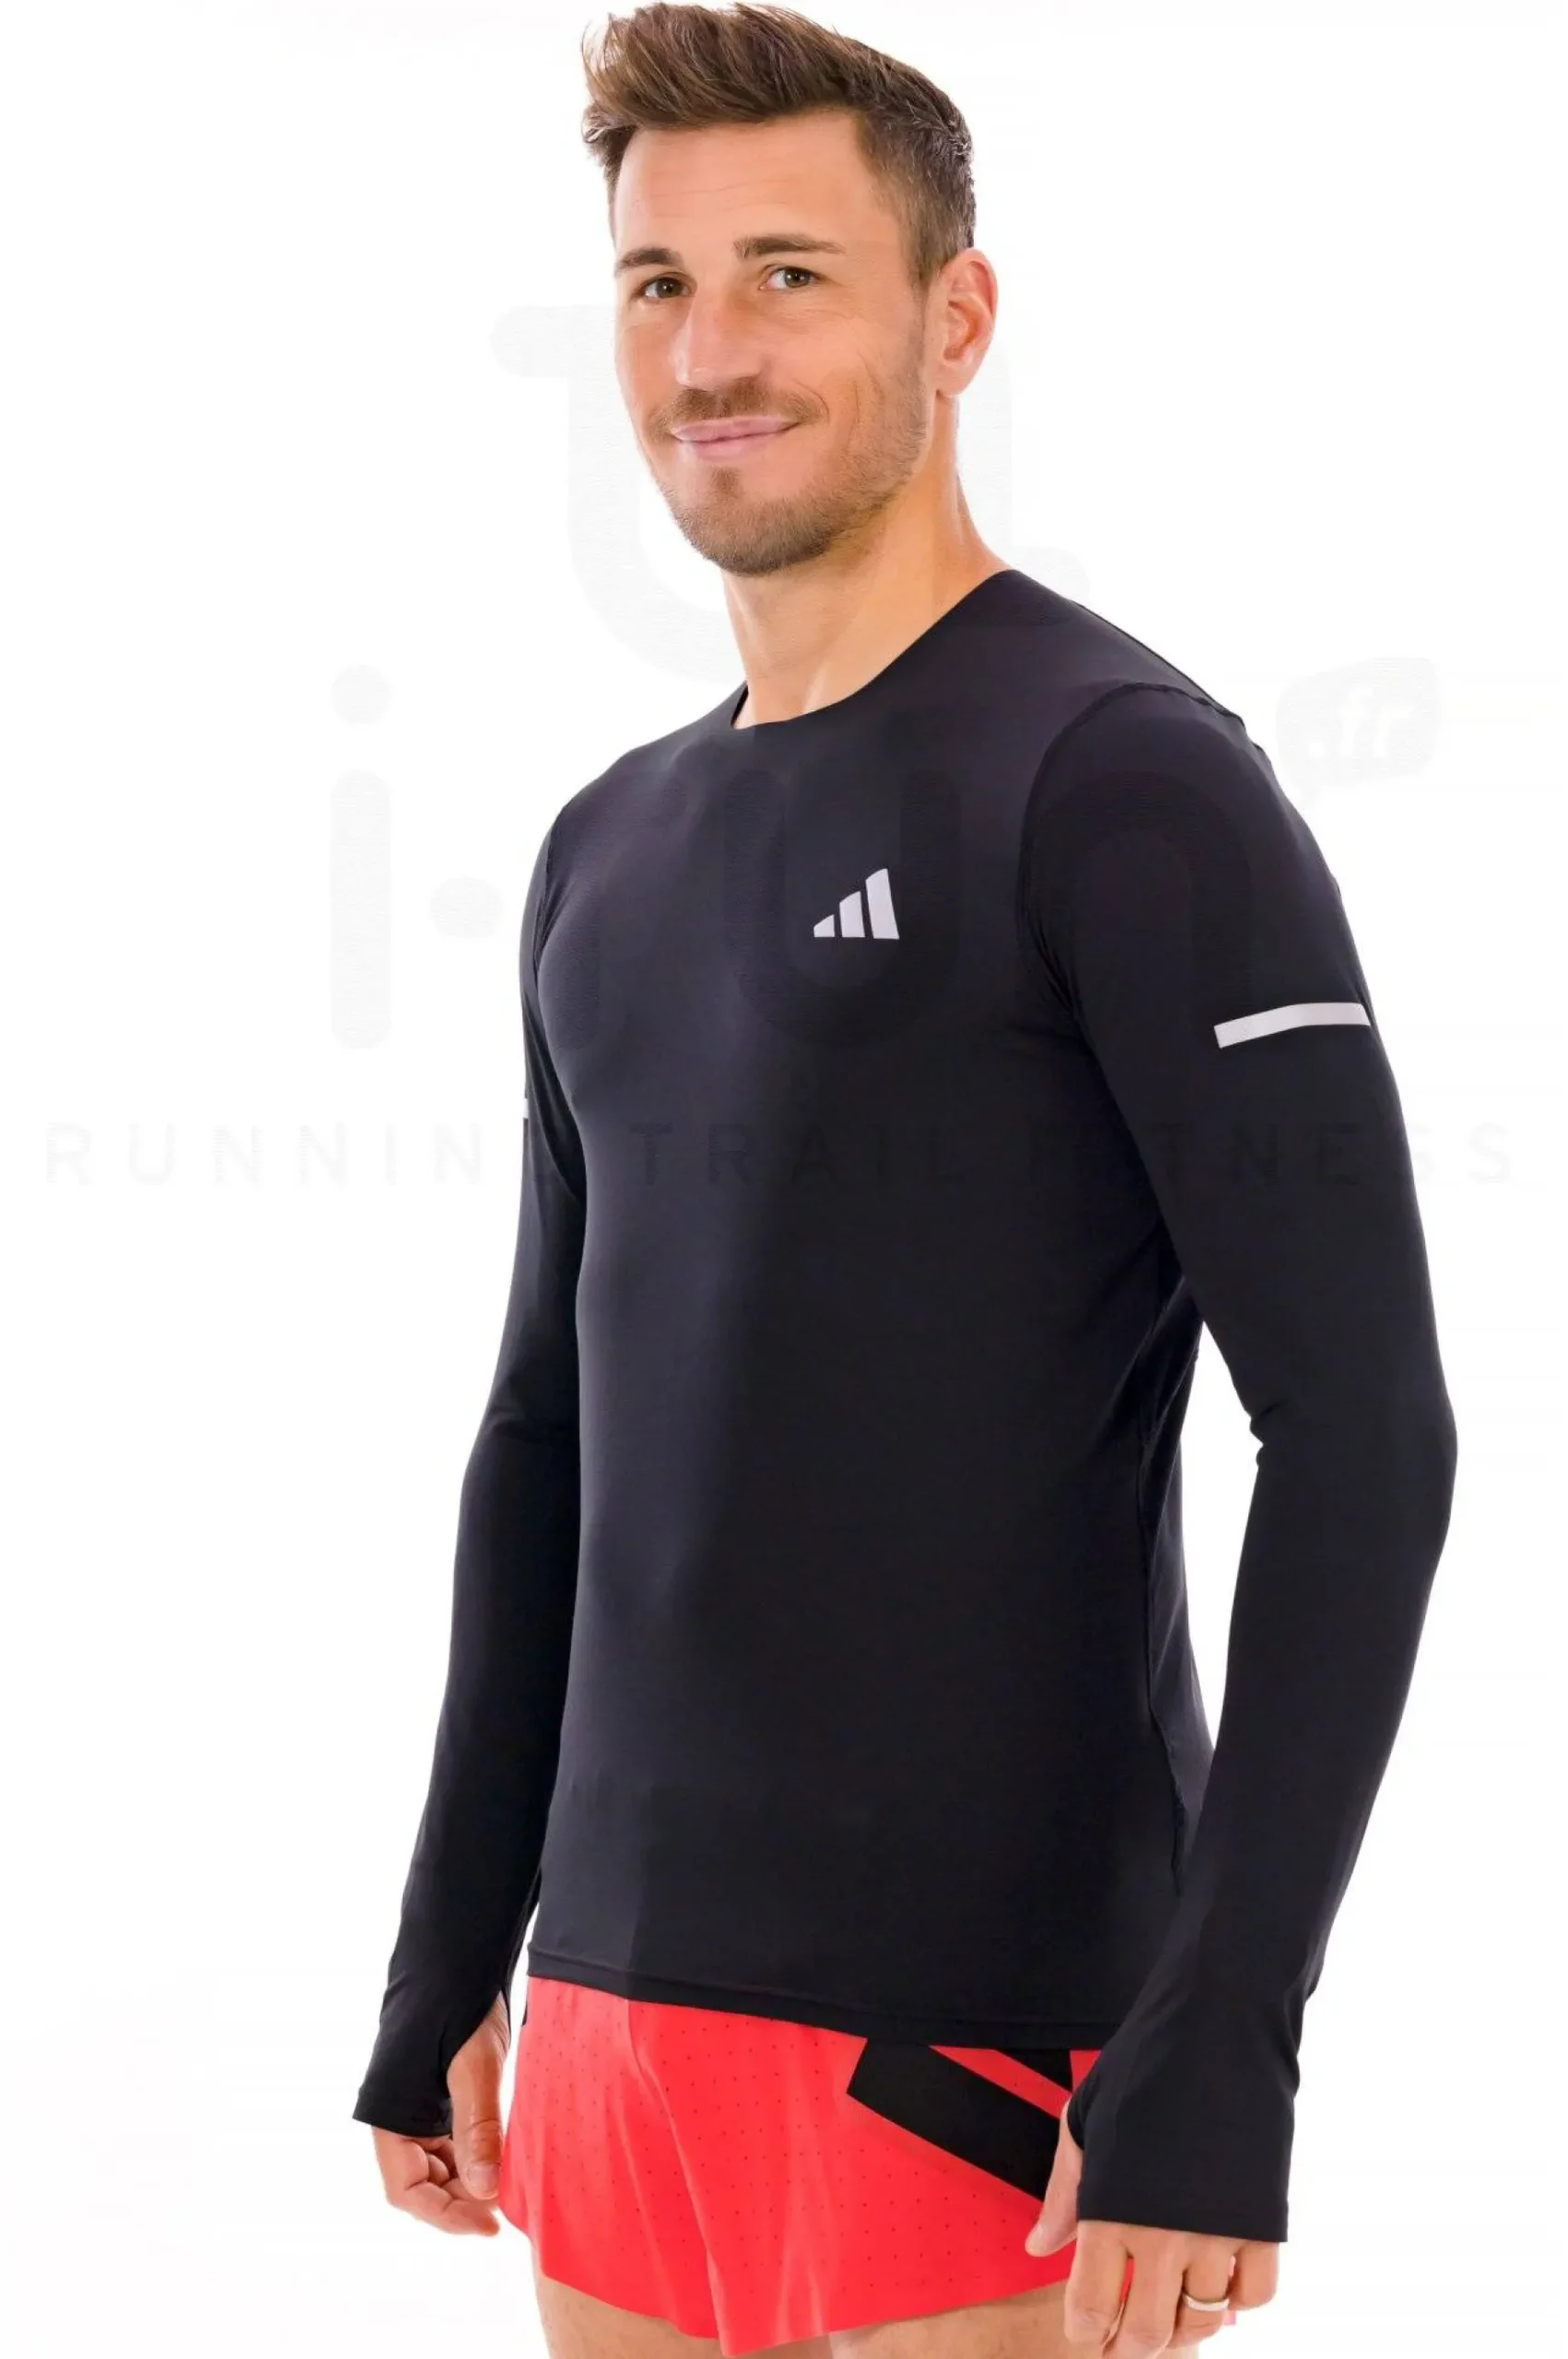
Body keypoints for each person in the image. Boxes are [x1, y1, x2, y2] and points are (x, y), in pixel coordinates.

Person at [351, 7, 1458, 2356]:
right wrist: (450, 1947)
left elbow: (1361, 1432)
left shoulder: (1126, 782)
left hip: (980, 2040)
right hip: (614, 2020)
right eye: (657, 285)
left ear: (954, 319)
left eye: (788, 274)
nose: (709, 353)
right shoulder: (604, 848)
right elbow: (547, 1428)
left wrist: (1223, 2032)